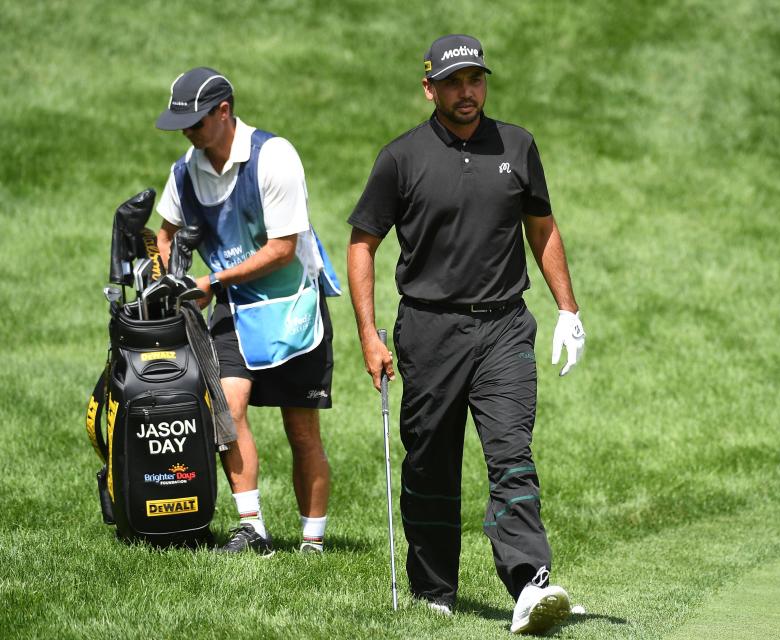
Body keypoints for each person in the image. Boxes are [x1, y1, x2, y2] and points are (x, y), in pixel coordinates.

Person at [346, 35, 586, 635]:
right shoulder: (400, 158)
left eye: (475, 80)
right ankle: (434, 589)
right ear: (429, 88)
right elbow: (362, 244)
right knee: (430, 462)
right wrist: (369, 335)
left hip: (505, 326)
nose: (466, 92)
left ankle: (530, 584)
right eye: (453, 83)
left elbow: (542, 227)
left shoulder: (518, 146)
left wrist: (568, 310)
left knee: (511, 455)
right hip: (429, 330)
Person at [154, 67, 335, 556]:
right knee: (228, 412)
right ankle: (253, 529)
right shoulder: (185, 171)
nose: (187, 133)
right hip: (236, 306)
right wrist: (167, 273)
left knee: (301, 430)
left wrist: (211, 281)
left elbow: (282, 248)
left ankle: (312, 543)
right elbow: (165, 231)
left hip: (294, 305)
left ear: (224, 112)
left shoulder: (274, 157)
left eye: (194, 122)